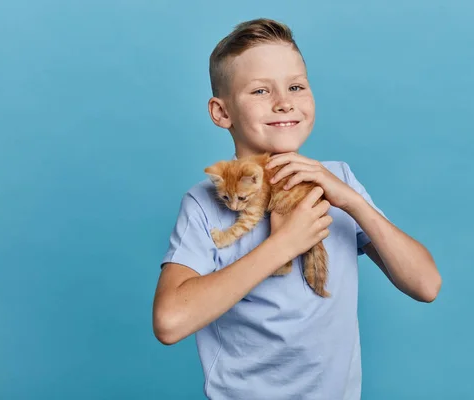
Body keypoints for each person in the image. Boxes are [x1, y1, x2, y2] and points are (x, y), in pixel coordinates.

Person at [152, 18, 442, 400]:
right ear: (222, 113)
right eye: (259, 90)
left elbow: (426, 285)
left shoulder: (338, 180)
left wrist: (352, 203)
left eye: (295, 86)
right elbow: (170, 322)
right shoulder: (206, 204)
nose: (284, 101)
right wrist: (283, 245)